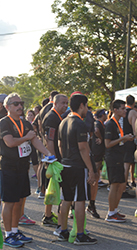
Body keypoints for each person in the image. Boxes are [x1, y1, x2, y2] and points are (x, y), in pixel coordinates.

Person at [0, 93, 52, 248]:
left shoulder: (25, 123)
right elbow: (10, 142)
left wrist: (48, 153)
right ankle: (8, 234)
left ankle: (15, 231)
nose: (20, 106)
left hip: (22, 167)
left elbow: (34, 139)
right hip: (8, 167)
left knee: (19, 201)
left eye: (21, 103)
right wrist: (26, 136)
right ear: (7, 107)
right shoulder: (4, 122)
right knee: (9, 202)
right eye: (15, 104)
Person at [58, 93, 97, 245]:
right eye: (86, 106)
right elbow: (83, 148)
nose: (87, 109)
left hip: (66, 164)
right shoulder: (79, 123)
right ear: (81, 105)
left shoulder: (63, 121)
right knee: (80, 199)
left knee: (66, 199)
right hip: (77, 166)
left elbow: (60, 145)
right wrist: (91, 170)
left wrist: (65, 158)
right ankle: (80, 234)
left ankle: (62, 231)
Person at [41, 94, 68, 230]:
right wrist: (52, 159)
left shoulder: (57, 116)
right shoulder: (52, 117)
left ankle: (48, 215)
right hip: (54, 160)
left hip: (55, 158)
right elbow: (49, 140)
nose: (65, 105)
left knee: (52, 188)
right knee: (55, 189)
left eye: (67, 103)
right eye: (63, 103)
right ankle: (50, 216)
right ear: (55, 103)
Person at [104, 99, 134, 223]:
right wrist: (123, 138)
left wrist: (126, 139)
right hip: (113, 157)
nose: (125, 110)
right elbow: (107, 144)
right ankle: (110, 213)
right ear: (115, 110)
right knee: (114, 185)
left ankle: (114, 210)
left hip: (119, 156)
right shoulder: (110, 124)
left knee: (121, 184)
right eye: (122, 108)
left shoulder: (117, 122)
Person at [87, 109, 107, 219]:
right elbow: (95, 130)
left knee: (95, 176)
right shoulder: (96, 122)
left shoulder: (91, 120)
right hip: (91, 153)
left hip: (93, 152)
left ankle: (91, 204)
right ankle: (74, 208)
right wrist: (100, 138)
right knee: (93, 176)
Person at [123, 95, 137, 195]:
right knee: (127, 165)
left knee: (124, 165)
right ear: (134, 103)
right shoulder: (132, 112)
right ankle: (123, 188)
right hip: (129, 140)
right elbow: (135, 128)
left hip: (121, 140)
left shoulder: (122, 111)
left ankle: (123, 186)